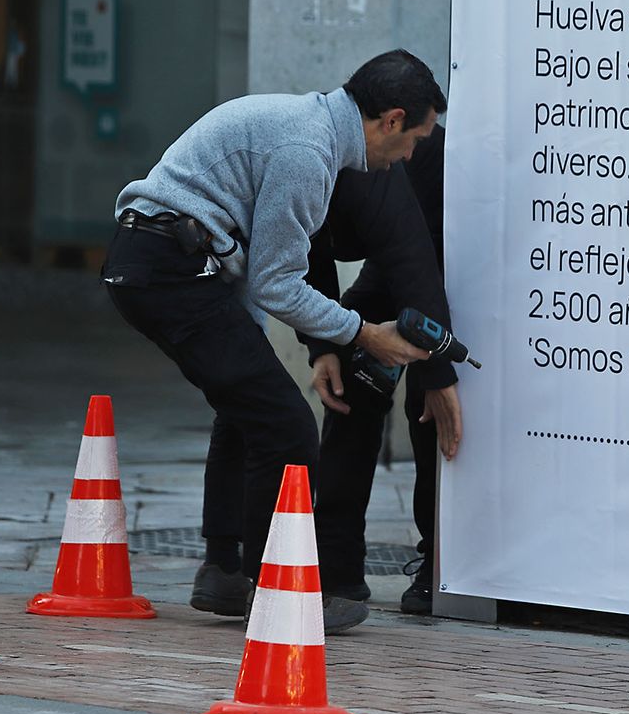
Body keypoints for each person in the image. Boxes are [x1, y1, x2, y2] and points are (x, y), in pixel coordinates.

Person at [100, 49, 444, 633]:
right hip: (170, 269)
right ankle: (276, 592)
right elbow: (277, 282)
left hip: (163, 260)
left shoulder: (308, 126)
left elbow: (263, 264)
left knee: (249, 408)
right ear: (391, 121)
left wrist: (316, 342)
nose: (410, 156)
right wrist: (364, 334)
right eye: (414, 139)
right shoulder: (308, 150)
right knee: (286, 426)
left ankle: (224, 571)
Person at [304, 124, 458, 615]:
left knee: (430, 409)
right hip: (392, 265)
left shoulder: (425, 150)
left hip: (448, 266)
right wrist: (324, 345)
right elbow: (311, 248)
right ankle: (335, 566)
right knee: (351, 380)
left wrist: (436, 374)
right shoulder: (325, 151)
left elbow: (421, 268)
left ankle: (440, 561)